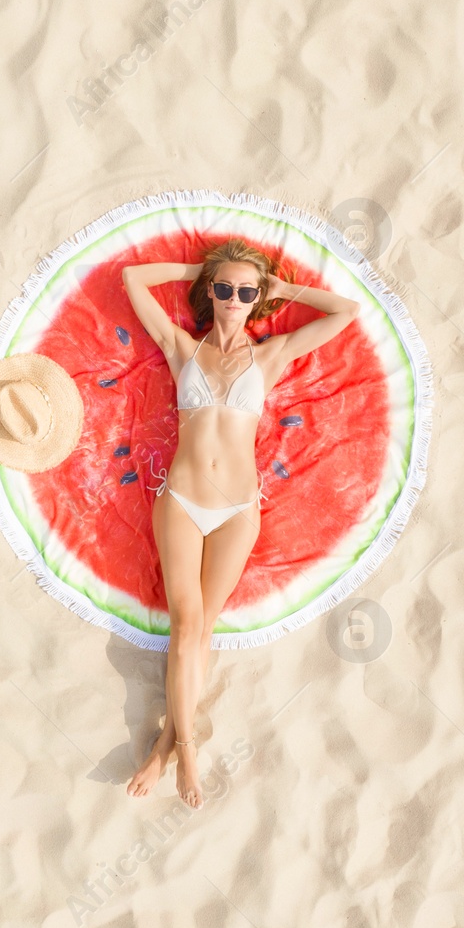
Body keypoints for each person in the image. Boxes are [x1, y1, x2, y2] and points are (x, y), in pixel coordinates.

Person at [120, 237, 360, 806]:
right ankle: (189, 752)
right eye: (223, 289)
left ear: (257, 299)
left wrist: (283, 289)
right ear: (210, 292)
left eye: (244, 292)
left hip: (238, 510)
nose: (233, 299)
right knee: (185, 625)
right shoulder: (181, 349)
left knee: (203, 631)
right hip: (180, 499)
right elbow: (134, 279)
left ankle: (164, 750)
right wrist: (197, 269)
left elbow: (345, 312)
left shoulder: (272, 355)